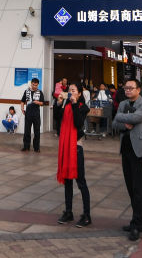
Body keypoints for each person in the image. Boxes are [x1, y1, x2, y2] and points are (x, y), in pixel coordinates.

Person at [113, 78, 142, 241]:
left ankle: (136, 223)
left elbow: (136, 118)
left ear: (138, 90)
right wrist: (124, 123)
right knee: (130, 187)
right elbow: (115, 123)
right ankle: (139, 221)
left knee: (138, 188)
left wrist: (122, 117)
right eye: (126, 88)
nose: (127, 90)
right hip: (126, 150)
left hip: (140, 152)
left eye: (131, 88)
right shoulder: (123, 104)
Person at [56, 82, 91, 227]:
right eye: (69, 90)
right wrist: (59, 104)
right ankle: (68, 212)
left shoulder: (83, 107)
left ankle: (87, 215)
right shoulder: (66, 105)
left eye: (74, 90)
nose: (71, 92)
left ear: (79, 93)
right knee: (67, 181)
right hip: (65, 146)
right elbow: (58, 119)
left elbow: (78, 123)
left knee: (80, 181)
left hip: (76, 148)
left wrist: (75, 104)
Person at [21, 77, 45, 152]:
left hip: (36, 114)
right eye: (33, 84)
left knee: (37, 131)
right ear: (31, 84)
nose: (34, 86)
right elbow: (22, 101)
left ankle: (36, 148)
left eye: (36, 85)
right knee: (27, 131)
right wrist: (22, 108)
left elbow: (42, 103)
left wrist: (37, 102)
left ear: (38, 85)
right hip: (28, 113)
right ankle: (26, 146)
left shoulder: (40, 92)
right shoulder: (26, 91)